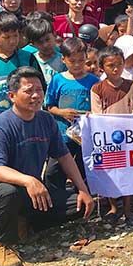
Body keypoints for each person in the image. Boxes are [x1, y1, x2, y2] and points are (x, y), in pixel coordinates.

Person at [0, 67, 94, 266]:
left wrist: (83, 189)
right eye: (29, 91)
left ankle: (25, 222)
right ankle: (3, 243)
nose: (36, 95)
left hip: (30, 193)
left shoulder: (45, 119)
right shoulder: (1, 125)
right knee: (8, 192)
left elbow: (63, 156)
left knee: (79, 205)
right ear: (12, 96)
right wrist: (29, 180)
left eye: (39, 90)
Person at [90, 46, 133, 225]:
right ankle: (113, 207)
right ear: (102, 67)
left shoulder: (131, 85)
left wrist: (128, 127)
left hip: (128, 136)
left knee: (127, 173)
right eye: (111, 65)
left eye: (119, 64)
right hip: (107, 138)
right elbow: (97, 114)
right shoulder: (97, 89)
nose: (116, 69)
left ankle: (128, 208)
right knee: (110, 172)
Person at [45, 37, 98, 186]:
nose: (77, 64)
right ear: (63, 59)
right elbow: (49, 106)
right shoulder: (58, 80)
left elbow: (98, 107)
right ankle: (55, 196)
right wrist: (62, 112)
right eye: (72, 61)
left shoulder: (94, 81)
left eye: (81, 60)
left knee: (83, 169)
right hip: (62, 135)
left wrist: (91, 114)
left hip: (84, 136)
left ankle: (80, 196)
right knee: (53, 171)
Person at [24, 18, 66, 88]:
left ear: (54, 35)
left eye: (47, 39)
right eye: (40, 42)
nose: (45, 45)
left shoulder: (63, 60)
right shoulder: (31, 61)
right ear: (32, 44)